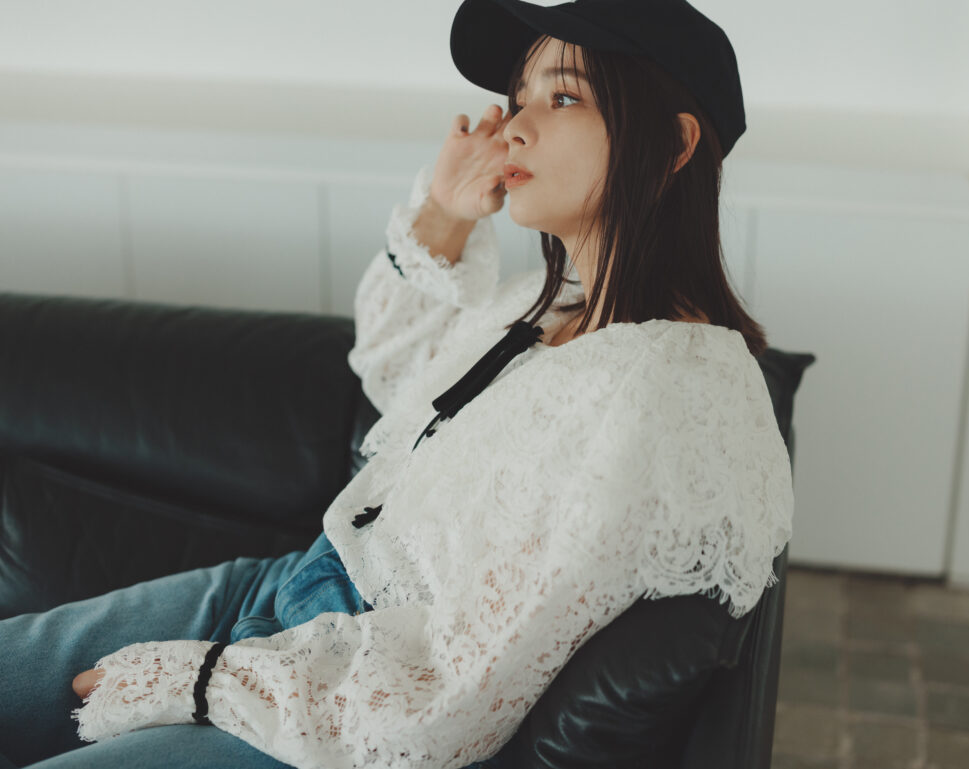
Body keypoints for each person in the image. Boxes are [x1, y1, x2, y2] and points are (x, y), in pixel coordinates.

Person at [0, 1, 794, 767]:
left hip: (350, 714)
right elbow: (389, 362)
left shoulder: (670, 392)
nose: (515, 127)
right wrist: (447, 210)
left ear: (673, 144)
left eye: (562, 98)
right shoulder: (542, 306)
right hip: (288, 593)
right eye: (518, 98)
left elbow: (457, 686)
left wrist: (202, 679)